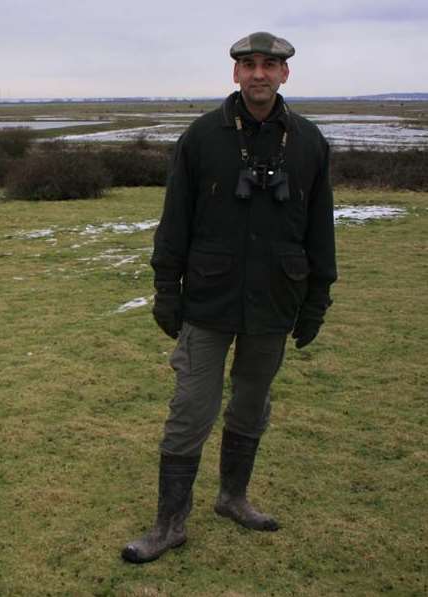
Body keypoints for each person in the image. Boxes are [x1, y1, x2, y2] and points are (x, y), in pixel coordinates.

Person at [121, 31, 337, 564]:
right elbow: (174, 224)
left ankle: (232, 497)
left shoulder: (308, 142)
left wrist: (317, 300)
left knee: (250, 403)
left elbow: (320, 229)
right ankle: (169, 524)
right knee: (191, 408)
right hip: (208, 302)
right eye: (249, 65)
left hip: (274, 301)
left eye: (270, 65)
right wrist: (165, 290)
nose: (259, 74)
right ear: (235, 73)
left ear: (285, 74)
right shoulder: (201, 138)